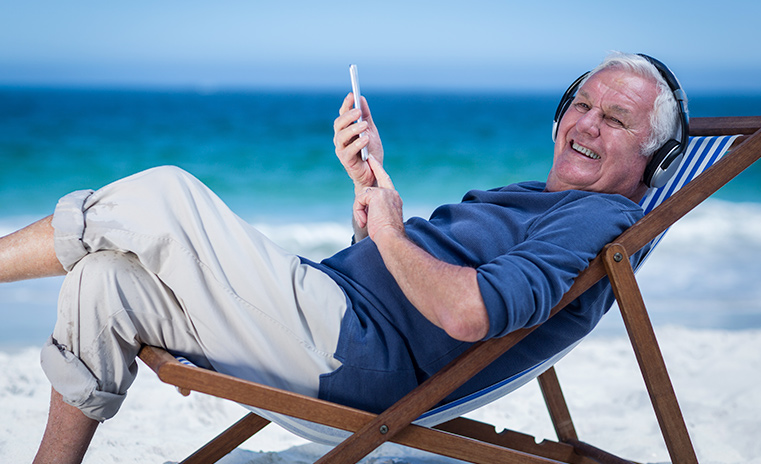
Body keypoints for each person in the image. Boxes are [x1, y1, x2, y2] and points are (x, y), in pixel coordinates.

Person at [0, 51, 682, 463]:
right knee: (106, 282)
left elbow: (469, 314)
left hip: (353, 360)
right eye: (582, 104)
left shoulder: (598, 219)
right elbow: (423, 290)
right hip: (339, 326)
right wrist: (371, 200)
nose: (586, 124)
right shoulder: (538, 198)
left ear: (656, 160)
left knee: (162, 195)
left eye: (615, 120)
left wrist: (390, 233)